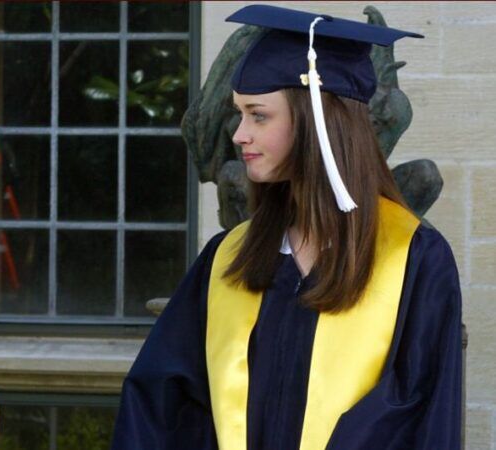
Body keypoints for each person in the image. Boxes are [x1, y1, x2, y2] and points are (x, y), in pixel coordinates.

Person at [111, 5, 462, 450]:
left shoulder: (413, 260)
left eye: (258, 115)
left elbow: (428, 422)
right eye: (239, 114)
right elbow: (157, 410)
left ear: (318, 122)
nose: (239, 134)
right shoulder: (227, 258)